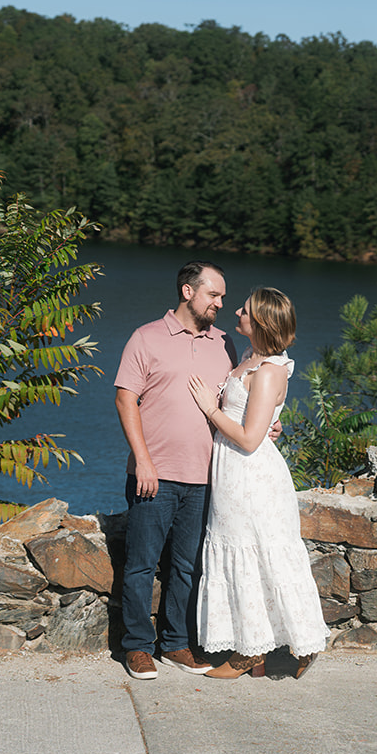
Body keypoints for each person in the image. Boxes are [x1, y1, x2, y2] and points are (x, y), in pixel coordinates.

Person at [187, 287, 330, 680]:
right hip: (233, 473)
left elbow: (250, 439)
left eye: (246, 310)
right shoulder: (251, 358)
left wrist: (210, 408)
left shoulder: (268, 371)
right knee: (247, 558)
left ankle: (257, 653)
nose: (237, 311)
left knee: (256, 557)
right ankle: (255, 649)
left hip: (251, 477)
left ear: (263, 322)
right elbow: (257, 420)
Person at [113, 261, 238, 680]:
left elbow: (235, 401)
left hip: (205, 478)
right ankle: (137, 647)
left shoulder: (224, 344)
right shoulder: (146, 337)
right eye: (213, 295)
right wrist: (143, 461)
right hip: (154, 475)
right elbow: (125, 400)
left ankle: (175, 644)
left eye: (222, 296)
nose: (220, 303)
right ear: (188, 291)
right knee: (141, 566)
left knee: (187, 568)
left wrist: (268, 424)